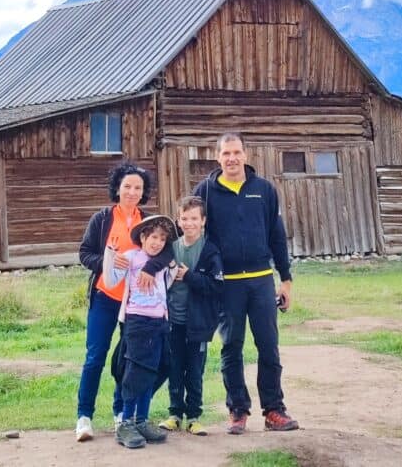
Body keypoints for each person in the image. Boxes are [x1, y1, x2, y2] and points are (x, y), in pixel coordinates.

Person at [193, 133, 299, 434]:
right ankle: (237, 410)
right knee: (231, 347)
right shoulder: (206, 192)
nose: (232, 158)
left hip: (261, 282)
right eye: (226, 153)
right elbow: (193, 233)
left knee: (268, 346)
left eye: (237, 152)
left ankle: (274, 410)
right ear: (217, 157)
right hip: (227, 285)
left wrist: (286, 279)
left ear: (246, 154)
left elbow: (277, 237)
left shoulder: (264, 190)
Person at [75, 162, 173, 443]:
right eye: (127, 186)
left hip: (137, 310)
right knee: (95, 357)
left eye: (138, 188)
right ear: (117, 188)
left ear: (144, 192)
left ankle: (122, 413)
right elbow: (84, 253)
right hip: (107, 298)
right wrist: (107, 263)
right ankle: (84, 417)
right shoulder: (103, 219)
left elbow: (167, 251)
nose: (132, 192)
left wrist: (150, 268)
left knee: (130, 360)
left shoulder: (149, 222)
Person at [103, 214, 179, 449]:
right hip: (137, 323)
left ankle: (142, 420)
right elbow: (110, 279)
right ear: (143, 237)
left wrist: (172, 267)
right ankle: (125, 423)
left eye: (162, 239)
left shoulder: (164, 262)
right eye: (153, 237)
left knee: (152, 370)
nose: (157, 242)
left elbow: (169, 280)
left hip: (159, 323)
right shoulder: (132, 257)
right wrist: (110, 256)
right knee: (134, 373)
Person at [158, 195, 223, 436]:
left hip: (198, 323)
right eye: (184, 218)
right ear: (178, 220)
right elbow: (159, 278)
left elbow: (217, 285)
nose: (189, 223)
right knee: (174, 368)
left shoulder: (210, 250)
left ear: (203, 221)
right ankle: (175, 414)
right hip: (173, 321)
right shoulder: (171, 247)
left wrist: (189, 277)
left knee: (194, 371)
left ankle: (194, 416)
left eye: (194, 218)